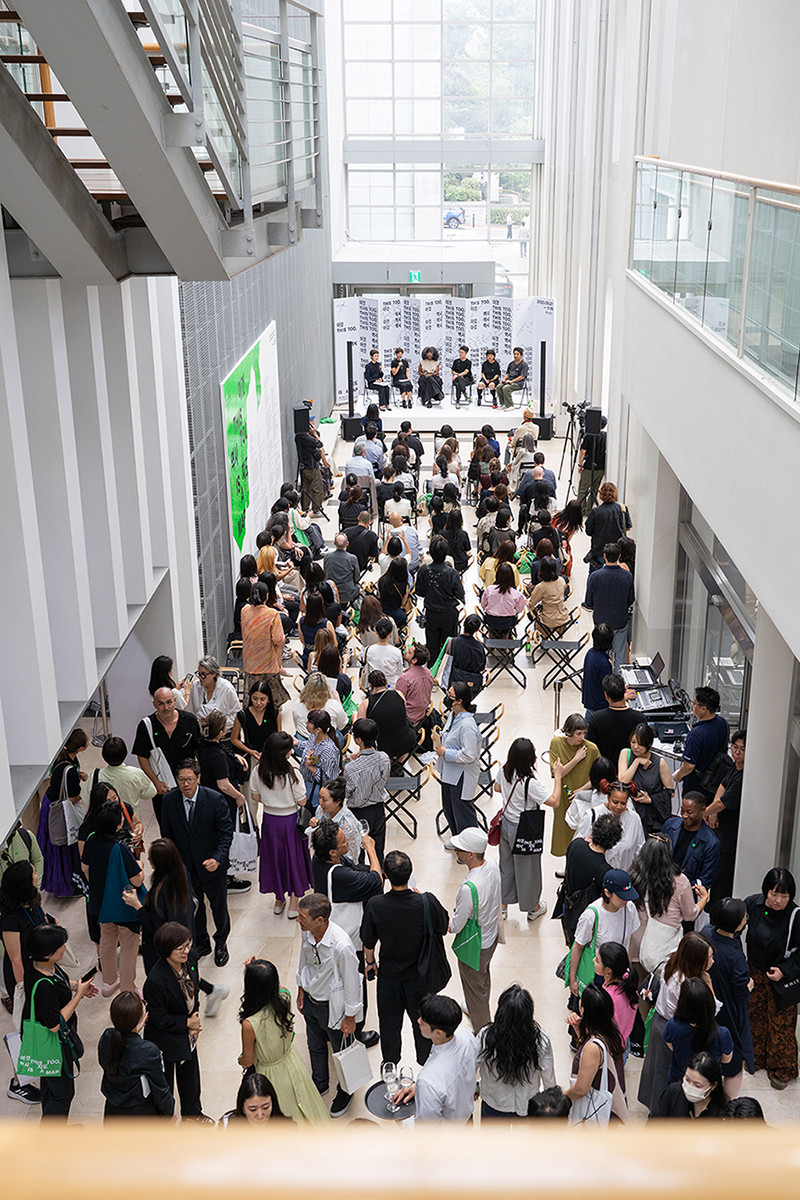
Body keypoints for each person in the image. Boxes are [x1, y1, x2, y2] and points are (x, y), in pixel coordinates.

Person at [361, 851, 449, 1067]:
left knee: (389, 1025)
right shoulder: (426, 902)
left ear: (386, 876)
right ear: (411, 873)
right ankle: (426, 1064)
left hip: (389, 978)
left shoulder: (376, 904)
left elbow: (368, 943)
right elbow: (444, 926)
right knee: (423, 1024)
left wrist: (371, 962)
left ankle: (390, 1065)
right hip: (421, 978)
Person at [159, 759, 233, 966]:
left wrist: (218, 859)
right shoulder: (169, 800)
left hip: (212, 866)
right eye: (181, 780)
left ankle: (221, 942)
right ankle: (202, 941)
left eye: (190, 779)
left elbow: (226, 834)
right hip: (185, 869)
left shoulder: (215, 799)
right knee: (194, 907)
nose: (186, 784)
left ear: (199, 778)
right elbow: (167, 836)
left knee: (219, 907)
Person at [296, 892, 364, 1117]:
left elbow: (352, 982)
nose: (298, 920)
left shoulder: (341, 946)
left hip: (332, 1007)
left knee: (342, 1050)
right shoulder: (307, 933)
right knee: (315, 1045)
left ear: (320, 920)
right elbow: (304, 960)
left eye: (302, 917)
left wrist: (350, 1017)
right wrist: (301, 989)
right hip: (311, 1001)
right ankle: (320, 1082)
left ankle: (346, 1090)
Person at [237, 958, 330, 1122]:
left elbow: (248, 1061)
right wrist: (261, 970)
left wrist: (240, 1060)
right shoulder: (285, 997)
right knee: (307, 1106)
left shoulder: (250, 1024)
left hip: (269, 1075)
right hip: (292, 1062)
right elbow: (276, 987)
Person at [21, 924, 97, 1117]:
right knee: (62, 1094)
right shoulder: (43, 986)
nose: (64, 947)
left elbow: (58, 982)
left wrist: (76, 986)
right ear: (47, 954)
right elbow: (55, 1024)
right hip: (54, 1044)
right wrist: (78, 996)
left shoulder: (38, 965)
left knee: (50, 1087)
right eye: (60, 945)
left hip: (48, 1044)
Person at [637, 930, 716, 1111]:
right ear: (695, 960)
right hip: (677, 1029)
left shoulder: (672, 961)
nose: (712, 961)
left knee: (656, 1067)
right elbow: (711, 1009)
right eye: (708, 958)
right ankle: (665, 1110)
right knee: (671, 1071)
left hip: (660, 1022)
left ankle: (655, 1106)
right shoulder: (685, 985)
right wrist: (709, 982)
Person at [142, 922, 211, 1121]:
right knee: (166, 1083)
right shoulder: (155, 981)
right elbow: (159, 1018)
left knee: (191, 1077)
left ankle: (193, 1114)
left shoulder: (190, 960)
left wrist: (195, 1017)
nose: (186, 951)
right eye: (180, 949)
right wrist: (187, 1023)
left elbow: (194, 994)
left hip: (187, 1032)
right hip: (165, 1038)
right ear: (166, 950)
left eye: (188, 945)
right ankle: (166, 1121)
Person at [744, 866, 800, 1089]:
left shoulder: (795, 916)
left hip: (780, 977)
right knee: (754, 1016)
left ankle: (782, 1069)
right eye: (774, 894)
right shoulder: (753, 904)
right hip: (755, 972)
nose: (778, 900)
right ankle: (755, 1057)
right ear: (765, 891)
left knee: (781, 1025)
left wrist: (784, 970)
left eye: (784, 896)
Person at [81, 801, 144, 997]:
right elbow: (136, 879)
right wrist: (140, 866)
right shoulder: (120, 848)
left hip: (101, 903)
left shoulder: (91, 840)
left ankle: (108, 982)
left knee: (106, 941)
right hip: (124, 905)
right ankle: (128, 988)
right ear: (117, 825)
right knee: (128, 947)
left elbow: (85, 868)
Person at [494, 738, 557, 922]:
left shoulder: (504, 769)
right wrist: (558, 776)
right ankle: (533, 908)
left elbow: (497, 788)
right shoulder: (530, 783)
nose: (536, 757)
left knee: (506, 866)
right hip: (523, 830)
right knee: (528, 870)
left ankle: (503, 906)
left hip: (506, 824)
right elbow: (554, 801)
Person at [1, 862, 47, 1100]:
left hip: (39, 972)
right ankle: (18, 1083)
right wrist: (26, 991)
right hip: (24, 979)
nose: (37, 875)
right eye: (33, 873)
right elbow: (15, 959)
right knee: (26, 1028)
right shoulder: (10, 920)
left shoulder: (33, 903)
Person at [394, 993, 478, 1123]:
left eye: (423, 1022)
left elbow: (427, 1128)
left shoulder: (428, 1081)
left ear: (438, 1033)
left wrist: (401, 1121)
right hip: (467, 1119)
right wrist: (418, 1088)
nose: (418, 1021)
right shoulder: (467, 1037)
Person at [253, 732, 311, 918]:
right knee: (293, 859)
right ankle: (294, 899)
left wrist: (271, 800)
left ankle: (279, 898)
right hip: (290, 821)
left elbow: (255, 796)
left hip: (270, 821)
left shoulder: (258, 771)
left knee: (274, 860)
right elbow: (302, 801)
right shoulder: (293, 774)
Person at [476, 984, 555, 1119]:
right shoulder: (541, 1039)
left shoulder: (486, 1036)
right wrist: (551, 1106)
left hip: (494, 1102)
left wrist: (475, 1087)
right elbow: (549, 1077)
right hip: (527, 1104)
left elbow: (470, 1067)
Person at [449, 827, 501, 1033]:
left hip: (475, 946)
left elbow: (456, 925)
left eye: (460, 849)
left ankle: (483, 1030)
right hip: (491, 936)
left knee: (473, 984)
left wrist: (446, 923)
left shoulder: (468, 888)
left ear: (470, 854)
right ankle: (475, 1005)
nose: (457, 851)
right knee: (482, 977)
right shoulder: (493, 867)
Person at [629, 835, 707, 971]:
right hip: (663, 951)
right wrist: (704, 898)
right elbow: (690, 915)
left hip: (635, 946)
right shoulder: (680, 881)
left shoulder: (634, 876)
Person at [701, 898, 754, 1099]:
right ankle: (728, 1105)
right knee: (733, 1063)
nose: (746, 918)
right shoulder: (736, 956)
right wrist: (748, 987)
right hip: (729, 1012)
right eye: (744, 917)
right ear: (737, 923)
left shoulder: (706, 934)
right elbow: (741, 994)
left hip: (705, 1004)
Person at [98, 991, 174, 1118]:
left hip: (112, 1111)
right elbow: (160, 1089)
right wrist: (168, 1113)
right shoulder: (148, 1051)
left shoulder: (107, 1037)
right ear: (141, 1019)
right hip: (140, 1115)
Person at [568, 870, 640, 1001]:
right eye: (621, 896)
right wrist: (572, 979)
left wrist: (628, 968)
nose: (626, 900)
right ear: (607, 893)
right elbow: (578, 947)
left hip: (620, 973)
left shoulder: (629, 908)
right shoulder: (591, 915)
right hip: (599, 974)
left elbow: (630, 940)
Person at [563, 982, 628, 1123]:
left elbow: (581, 1089)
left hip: (597, 1115)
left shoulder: (593, 1048)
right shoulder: (610, 1029)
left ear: (584, 1010)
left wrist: (560, 1097)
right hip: (611, 1106)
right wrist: (578, 1029)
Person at [37, 728, 89, 899]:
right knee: (64, 845)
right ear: (81, 748)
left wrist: (78, 776)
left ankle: (55, 881)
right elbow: (73, 797)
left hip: (50, 805)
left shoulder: (63, 759)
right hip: (61, 810)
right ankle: (67, 884)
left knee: (52, 846)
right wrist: (85, 792)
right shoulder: (70, 769)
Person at [558, 812, 623, 946]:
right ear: (613, 843)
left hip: (568, 906)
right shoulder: (605, 871)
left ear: (594, 830)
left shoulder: (576, 844)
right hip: (585, 916)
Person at [664, 976, 734, 1084]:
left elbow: (671, 1046)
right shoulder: (722, 1033)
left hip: (678, 1080)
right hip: (707, 1084)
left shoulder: (673, 1025)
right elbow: (726, 1059)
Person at [549, 714, 600, 858]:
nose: (582, 737)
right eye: (578, 734)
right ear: (568, 732)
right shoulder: (556, 743)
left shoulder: (591, 749)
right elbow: (559, 773)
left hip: (584, 799)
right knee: (563, 831)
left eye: (584, 733)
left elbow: (598, 777)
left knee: (583, 834)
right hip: (563, 797)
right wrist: (576, 759)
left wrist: (581, 791)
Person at [704, 729, 746, 902]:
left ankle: (718, 909)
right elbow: (722, 785)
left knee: (723, 876)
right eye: (734, 747)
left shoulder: (744, 776)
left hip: (732, 835)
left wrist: (703, 813)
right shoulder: (735, 766)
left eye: (742, 749)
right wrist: (713, 813)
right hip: (722, 829)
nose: (737, 752)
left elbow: (723, 803)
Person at [230, 681, 280, 824]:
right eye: (255, 698)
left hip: (269, 760)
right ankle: (252, 829)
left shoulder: (275, 713)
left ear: (268, 699)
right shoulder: (242, 715)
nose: (258, 703)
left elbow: (279, 736)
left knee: (272, 798)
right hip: (250, 761)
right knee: (250, 799)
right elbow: (234, 739)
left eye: (262, 699)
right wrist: (250, 751)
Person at [437, 683, 481, 843]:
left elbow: (469, 754)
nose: (447, 698)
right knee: (449, 808)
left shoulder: (467, 725)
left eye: (450, 696)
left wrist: (445, 752)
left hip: (461, 775)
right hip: (449, 771)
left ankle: (469, 846)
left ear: (459, 701)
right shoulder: (453, 715)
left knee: (463, 813)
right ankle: (457, 840)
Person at [342, 717, 390, 861]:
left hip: (358, 813)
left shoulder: (351, 768)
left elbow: (347, 793)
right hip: (378, 809)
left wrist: (352, 762)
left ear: (358, 740)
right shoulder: (384, 758)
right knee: (378, 853)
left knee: (358, 855)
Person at [574, 781, 645, 874]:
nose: (619, 807)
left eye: (623, 803)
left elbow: (640, 849)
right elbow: (580, 845)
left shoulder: (634, 819)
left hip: (623, 875)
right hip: (597, 875)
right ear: (608, 797)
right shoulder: (592, 815)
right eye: (615, 802)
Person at [583, 544, 635, 669]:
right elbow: (631, 599)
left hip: (601, 622)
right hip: (620, 622)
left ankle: (604, 678)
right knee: (620, 655)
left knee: (602, 655)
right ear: (619, 556)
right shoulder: (627, 576)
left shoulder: (595, 576)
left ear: (604, 556)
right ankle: (619, 680)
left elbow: (588, 602)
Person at [616, 724, 674, 836]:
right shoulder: (626, 753)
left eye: (640, 744)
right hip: (628, 811)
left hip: (650, 816)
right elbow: (623, 781)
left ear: (649, 744)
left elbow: (670, 792)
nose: (635, 747)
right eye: (633, 742)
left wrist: (651, 799)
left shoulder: (659, 763)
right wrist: (637, 761)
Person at [673, 685, 730, 799]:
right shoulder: (722, 723)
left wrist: (677, 776)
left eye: (695, 703)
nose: (693, 706)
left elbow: (689, 766)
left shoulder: (696, 734)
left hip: (696, 785)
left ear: (704, 709)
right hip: (714, 782)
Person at [416, 535, 465, 662]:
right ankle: (446, 669)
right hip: (449, 614)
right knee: (448, 647)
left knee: (432, 646)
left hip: (431, 613)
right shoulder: (452, 573)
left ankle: (432, 669)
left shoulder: (423, 570)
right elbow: (460, 595)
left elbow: (419, 592)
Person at [239, 581, 288, 706]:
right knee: (271, 695)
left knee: (252, 694)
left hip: (250, 660)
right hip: (268, 661)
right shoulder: (272, 614)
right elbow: (278, 639)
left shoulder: (244, 611)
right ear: (266, 596)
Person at [662, 791, 721, 890]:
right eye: (682, 811)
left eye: (689, 813)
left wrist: (679, 887)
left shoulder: (710, 843)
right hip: (660, 886)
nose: (684, 816)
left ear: (702, 810)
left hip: (686, 892)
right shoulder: (670, 826)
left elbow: (705, 880)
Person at [358, 671, 416, 763]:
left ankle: (390, 761)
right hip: (407, 740)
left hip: (383, 746)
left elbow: (360, 728)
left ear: (370, 685)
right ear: (386, 682)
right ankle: (399, 758)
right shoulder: (399, 694)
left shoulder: (366, 704)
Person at [650, 1050, 727, 1120]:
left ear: (713, 1085)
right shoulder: (673, 1092)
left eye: (697, 1085)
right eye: (687, 1079)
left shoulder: (721, 1114)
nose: (690, 1086)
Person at [93, 736, 157, 820]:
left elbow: (88, 799)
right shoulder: (136, 774)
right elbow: (150, 793)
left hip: (106, 822)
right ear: (125, 753)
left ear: (103, 755)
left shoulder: (96, 775)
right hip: (132, 821)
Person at [586, 674, 641, 766]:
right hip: (630, 769)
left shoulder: (597, 718)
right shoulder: (638, 718)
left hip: (604, 769)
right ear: (625, 690)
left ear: (606, 696)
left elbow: (591, 748)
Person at [594, 942, 639, 1054]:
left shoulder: (608, 997)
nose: (593, 960)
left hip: (610, 1048)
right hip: (624, 1041)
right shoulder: (629, 988)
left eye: (597, 960)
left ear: (608, 970)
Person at [309, 777, 363, 863]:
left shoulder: (348, 824)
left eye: (324, 799)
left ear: (337, 802)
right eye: (319, 797)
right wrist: (314, 826)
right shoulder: (321, 810)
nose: (320, 802)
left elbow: (352, 858)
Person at [298, 709, 342, 810]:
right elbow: (309, 746)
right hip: (305, 786)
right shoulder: (314, 736)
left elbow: (327, 781)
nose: (306, 723)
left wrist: (309, 767)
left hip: (315, 796)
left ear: (318, 729)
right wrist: (297, 743)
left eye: (309, 722)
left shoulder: (329, 751)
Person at [584, 482, 631, 570]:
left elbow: (588, 531)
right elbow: (628, 527)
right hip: (616, 551)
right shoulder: (622, 509)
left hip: (599, 550)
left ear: (601, 494)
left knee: (595, 575)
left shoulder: (596, 511)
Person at [186, 655, 239, 732]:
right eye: (198, 674)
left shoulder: (227, 689)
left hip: (222, 733)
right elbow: (190, 712)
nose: (200, 677)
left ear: (214, 673)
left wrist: (216, 724)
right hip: (201, 733)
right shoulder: (195, 686)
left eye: (203, 674)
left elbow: (236, 715)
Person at [293, 672, 347, 742]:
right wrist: (338, 701)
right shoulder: (333, 704)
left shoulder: (298, 703)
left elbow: (296, 724)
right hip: (328, 741)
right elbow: (342, 725)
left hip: (303, 740)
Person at [221, 1073, 288, 1125]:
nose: (260, 1116)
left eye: (265, 1107)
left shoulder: (287, 1129)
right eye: (252, 1110)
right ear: (243, 1107)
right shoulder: (228, 1125)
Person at [480, 561, 526, 637]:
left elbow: (483, 605)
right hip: (508, 622)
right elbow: (519, 609)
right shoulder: (516, 593)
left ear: (497, 575)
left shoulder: (489, 590)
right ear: (512, 577)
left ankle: (491, 636)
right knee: (508, 626)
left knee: (492, 627)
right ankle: (507, 637)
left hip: (491, 620)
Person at [448, 614, 487, 698]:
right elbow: (482, 667)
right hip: (472, 685)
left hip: (454, 681)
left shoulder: (453, 642)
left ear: (463, 624)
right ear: (477, 630)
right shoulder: (480, 647)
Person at [396, 642, 434, 730]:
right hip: (421, 716)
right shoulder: (428, 673)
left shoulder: (404, 679)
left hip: (407, 719)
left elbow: (398, 703)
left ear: (414, 660)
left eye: (409, 652)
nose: (405, 651)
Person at [529, 557, 571, 632]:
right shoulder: (562, 580)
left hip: (548, 619)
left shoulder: (541, 586)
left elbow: (532, 603)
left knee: (529, 608)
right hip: (563, 615)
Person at [361, 617, 404, 688]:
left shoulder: (368, 650)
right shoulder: (397, 652)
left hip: (374, 687)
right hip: (392, 686)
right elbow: (399, 672)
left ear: (376, 632)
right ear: (390, 633)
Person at [581, 625, 613, 719]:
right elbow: (608, 688)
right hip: (600, 705)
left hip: (590, 701)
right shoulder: (604, 664)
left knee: (588, 724)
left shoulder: (590, 653)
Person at [577, 417, 607, 516]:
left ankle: (581, 510)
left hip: (589, 466)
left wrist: (580, 464)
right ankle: (589, 510)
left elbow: (583, 451)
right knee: (594, 489)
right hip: (601, 468)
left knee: (583, 489)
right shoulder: (606, 436)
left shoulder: (589, 435)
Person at [323, 533, 360, 609]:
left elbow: (325, 574)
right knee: (358, 586)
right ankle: (354, 603)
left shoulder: (327, 556)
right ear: (347, 544)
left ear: (334, 543)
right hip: (347, 594)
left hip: (331, 592)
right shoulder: (352, 558)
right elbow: (357, 577)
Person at [295, 426, 325, 516]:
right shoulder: (307, 437)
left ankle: (305, 509)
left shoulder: (298, 436)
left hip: (304, 466)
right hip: (312, 467)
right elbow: (320, 444)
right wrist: (315, 433)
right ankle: (316, 509)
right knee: (318, 488)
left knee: (306, 489)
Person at [552, 499, 583, 577]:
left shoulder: (557, 516)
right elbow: (569, 538)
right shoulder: (573, 525)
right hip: (563, 545)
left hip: (552, 539)